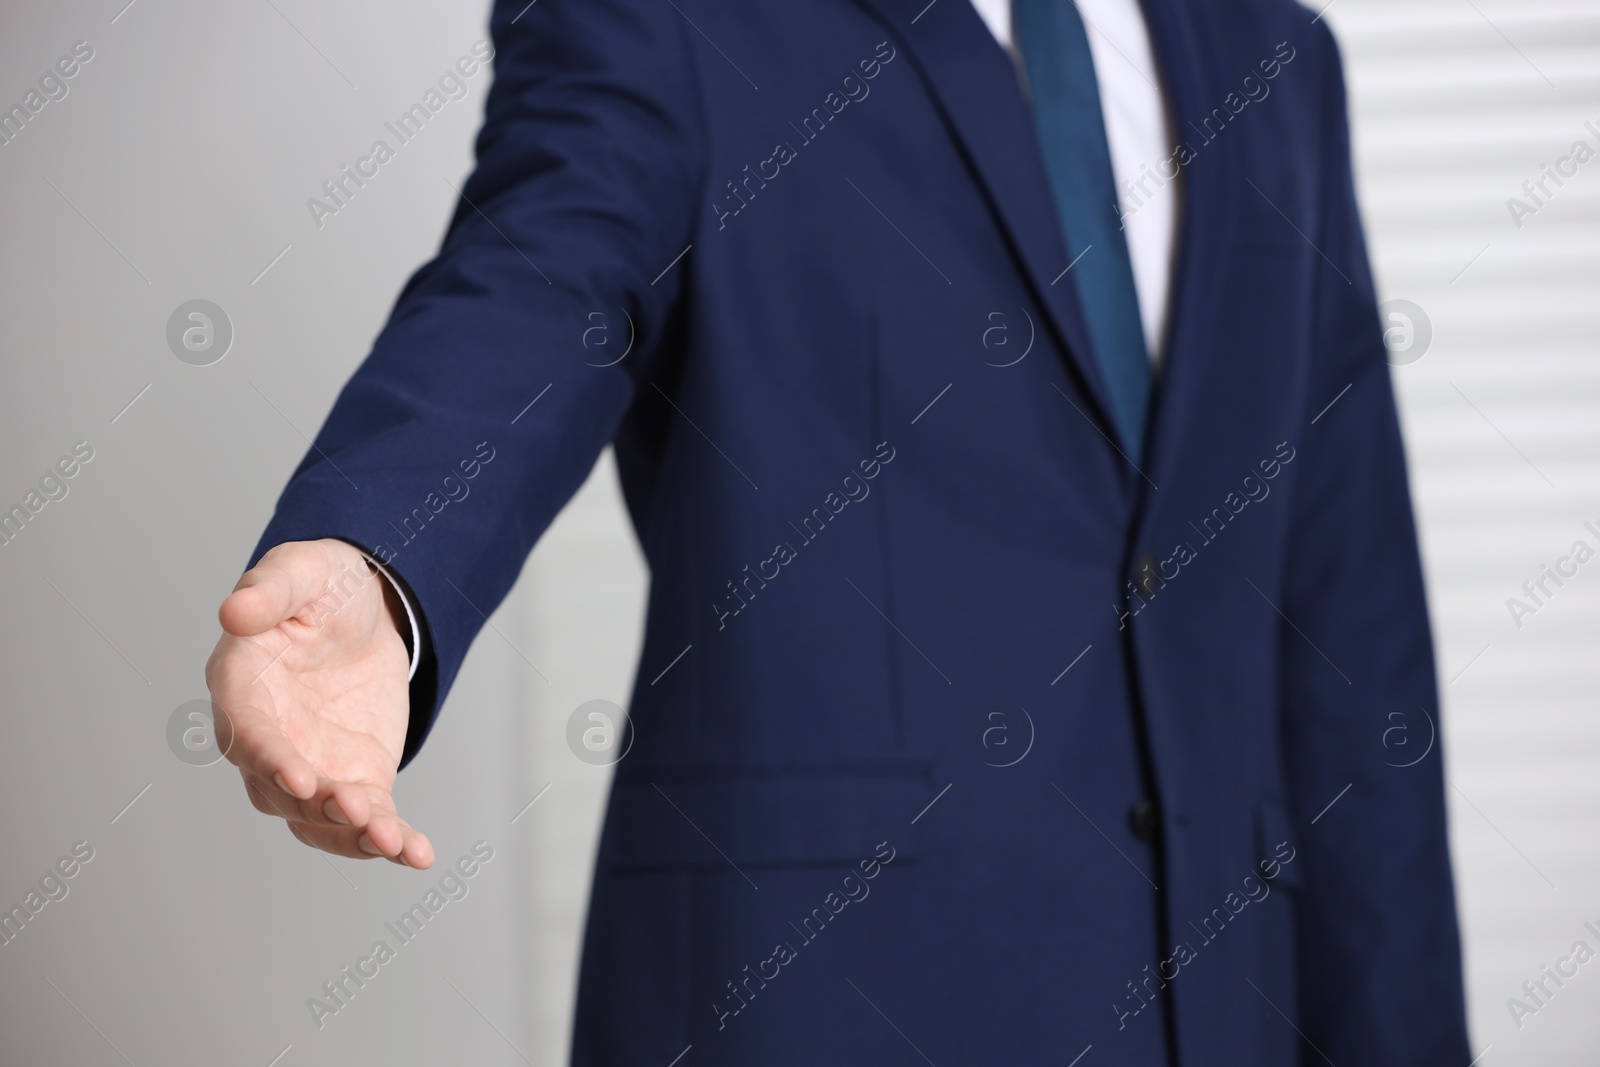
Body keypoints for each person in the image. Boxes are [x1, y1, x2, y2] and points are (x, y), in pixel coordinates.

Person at [204, 0, 1471, 1062]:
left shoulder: (1281, 56)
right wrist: (380, 555)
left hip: (1226, 1012)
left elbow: (1349, 636)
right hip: (824, 999)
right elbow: (537, 287)